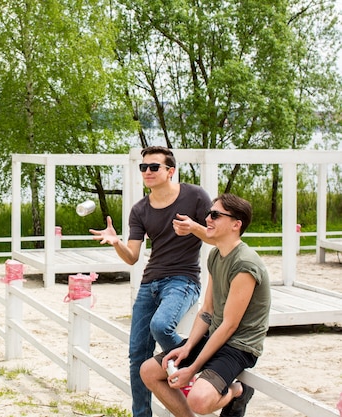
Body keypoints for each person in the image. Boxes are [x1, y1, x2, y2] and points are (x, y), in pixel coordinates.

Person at [90, 146, 212, 417]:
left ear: (171, 171)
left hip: (184, 280)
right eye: (143, 167)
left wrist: (194, 227)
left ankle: (201, 364)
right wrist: (117, 242)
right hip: (150, 283)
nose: (147, 171)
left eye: (153, 167)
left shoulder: (195, 196)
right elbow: (132, 257)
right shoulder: (140, 209)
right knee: (137, 355)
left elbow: (217, 235)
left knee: (161, 325)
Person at [140, 193, 271, 417]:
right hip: (215, 337)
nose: (207, 219)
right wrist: (187, 346)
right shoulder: (215, 256)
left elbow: (230, 325)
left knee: (199, 401)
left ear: (235, 224)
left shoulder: (244, 264)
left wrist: (191, 369)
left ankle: (238, 392)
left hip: (239, 345)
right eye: (208, 214)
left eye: (215, 215)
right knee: (149, 371)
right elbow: (207, 311)